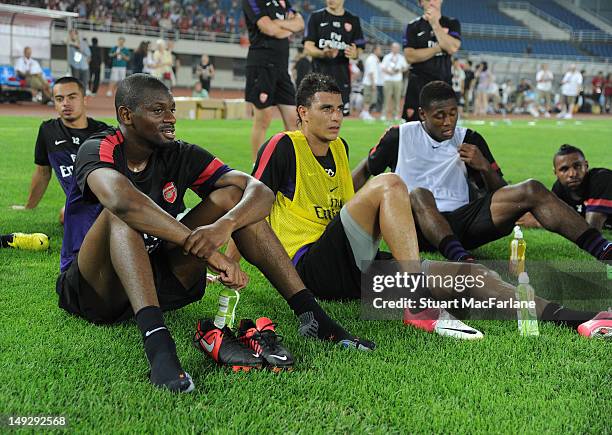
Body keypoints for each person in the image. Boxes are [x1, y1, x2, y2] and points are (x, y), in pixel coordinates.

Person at [238, 73, 611, 342]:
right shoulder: (284, 145)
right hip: (311, 267)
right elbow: (249, 206)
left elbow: (344, 202)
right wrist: (228, 261)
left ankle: (583, 320)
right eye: (325, 109)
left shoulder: (340, 148)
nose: (336, 117)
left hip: (354, 272)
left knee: (475, 278)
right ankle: (418, 302)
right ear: (302, 112)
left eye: (340, 108)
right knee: (392, 184)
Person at [57, 74, 367, 393]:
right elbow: (123, 201)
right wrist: (209, 252)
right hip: (95, 288)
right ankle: (160, 349)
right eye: (158, 110)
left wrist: (225, 225)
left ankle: (313, 318)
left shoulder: (178, 152)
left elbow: (258, 191)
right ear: (126, 116)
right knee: (119, 217)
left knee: (233, 198)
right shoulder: (98, 147)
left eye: (172, 109)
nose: (171, 118)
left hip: (157, 278)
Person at [352, 81, 612, 264]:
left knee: (531, 188)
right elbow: (366, 169)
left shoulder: (470, 138)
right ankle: (461, 259)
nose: (448, 122)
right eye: (439, 115)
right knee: (419, 194)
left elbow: (500, 191)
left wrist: (483, 167)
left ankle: (601, 248)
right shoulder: (400, 135)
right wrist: (341, 212)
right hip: (414, 227)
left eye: (453, 113)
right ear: (423, 114)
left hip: (464, 222)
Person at [11, 77, 108, 224]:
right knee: (67, 213)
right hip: (79, 204)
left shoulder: (104, 132)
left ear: (85, 99)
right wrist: (29, 207)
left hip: (108, 199)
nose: (65, 103)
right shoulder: (48, 131)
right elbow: (42, 173)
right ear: (54, 103)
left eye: (72, 97)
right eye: (59, 99)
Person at [242, 0, 304, 162]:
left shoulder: (282, 1)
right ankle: (257, 170)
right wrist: (288, 27)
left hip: (282, 69)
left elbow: (300, 23)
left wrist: (279, 25)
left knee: (295, 121)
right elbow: (268, 28)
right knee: (263, 120)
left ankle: (294, 167)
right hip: (261, 65)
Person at [303, 0, 365, 116]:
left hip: (342, 78)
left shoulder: (353, 20)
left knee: (337, 118)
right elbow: (308, 47)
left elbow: (359, 48)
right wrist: (323, 53)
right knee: (316, 116)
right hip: (318, 77)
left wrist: (354, 53)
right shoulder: (316, 17)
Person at [401, 0, 461, 122]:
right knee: (414, 129)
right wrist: (439, 48)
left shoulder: (451, 23)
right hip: (418, 86)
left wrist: (435, 24)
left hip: (443, 84)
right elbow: (410, 56)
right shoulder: (413, 26)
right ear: (420, 3)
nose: (432, 1)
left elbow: (453, 47)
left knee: (443, 129)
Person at [381, 42, 409, 121]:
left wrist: (400, 70)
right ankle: (384, 114)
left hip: (397, 79)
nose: (396, 49)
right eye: (394, 48)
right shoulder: (387, 57)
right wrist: (389, 72)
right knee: (387, 97)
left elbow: (405, 67)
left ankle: (396, 115)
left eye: (397, 48)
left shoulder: (401, 58)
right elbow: (382, 67)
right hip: (388, 79)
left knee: (397, 98)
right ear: (391, 48)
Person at [360, 45, 381, 121]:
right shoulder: (371, 59)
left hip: (369, 82)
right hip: (369, 82)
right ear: (375, 50)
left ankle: (364, 112)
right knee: (368, 98)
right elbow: (371, 72)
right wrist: (373, 84)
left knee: (369, 98)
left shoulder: (373, 59)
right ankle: (365, 113)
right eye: (379, 50)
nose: (380, 51)